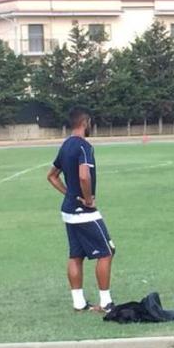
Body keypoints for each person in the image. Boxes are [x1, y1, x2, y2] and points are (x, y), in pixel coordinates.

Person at [46, 107, 116, 312]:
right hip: (83, 211)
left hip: (68, 210)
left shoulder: (66, 145)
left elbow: (51, 176)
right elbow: (84, 176)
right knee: (107, 252)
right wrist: (87, 200)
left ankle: (78, 302)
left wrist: (69, 193)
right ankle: (106, 302)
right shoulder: (84, 147)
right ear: (85, 123)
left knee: (76, 255)